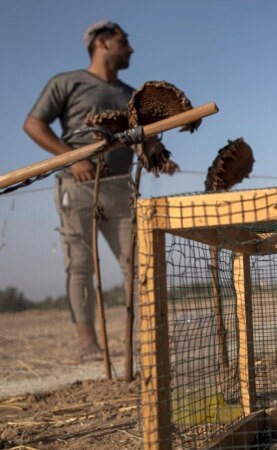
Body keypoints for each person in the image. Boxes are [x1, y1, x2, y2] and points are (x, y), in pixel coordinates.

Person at [23, 20, 178, 361]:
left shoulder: (131, 96)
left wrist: (160, 158)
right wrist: (73, 159)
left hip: (121, 189)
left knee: (137, 263)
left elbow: (144, 141)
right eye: (124, 41)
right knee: (80, 265)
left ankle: (145, 339)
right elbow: (33, 124)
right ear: (102, 43)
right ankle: (88, 344)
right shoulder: (67, 83)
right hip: (78, 188)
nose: (131, 49)